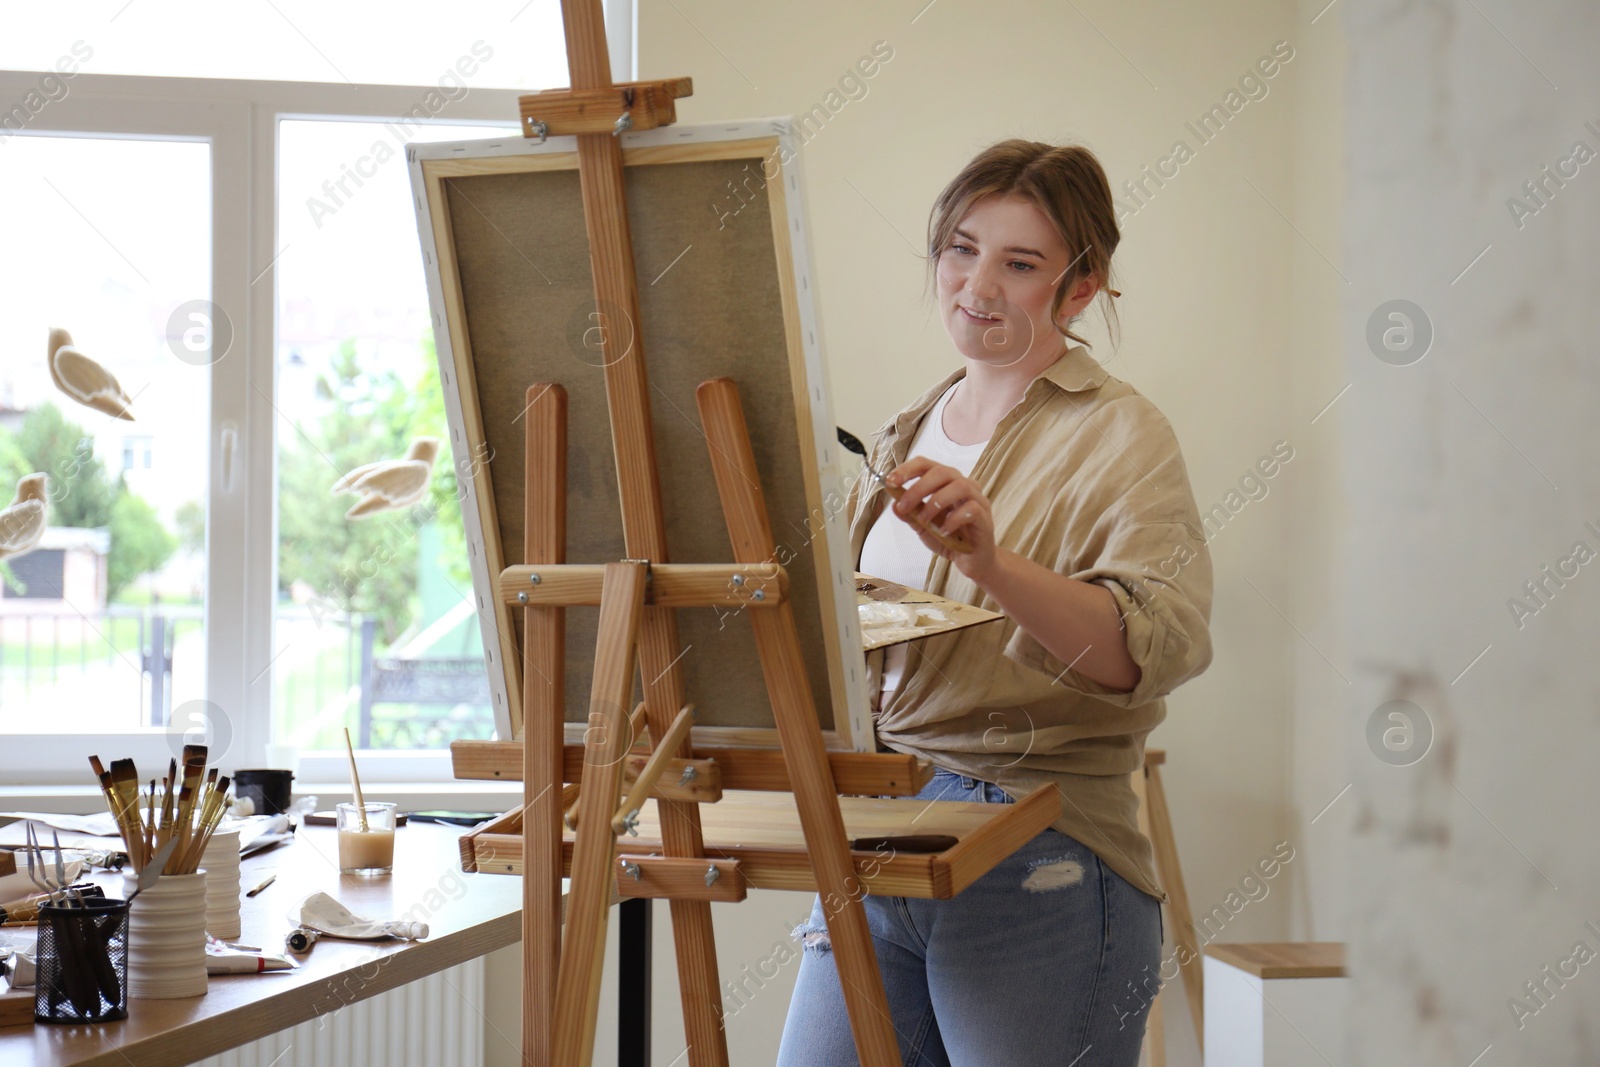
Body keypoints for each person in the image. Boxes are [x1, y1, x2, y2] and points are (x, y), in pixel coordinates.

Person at [776, 139, 1214, 1066]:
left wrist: (992, 561)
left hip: (1036, 840)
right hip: (876, 830)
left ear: (1082, 287)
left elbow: (1150, 651)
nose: (978, 284)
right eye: (960, 249)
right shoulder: (904, 428)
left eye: (1020, 264)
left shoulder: (1122, 432)